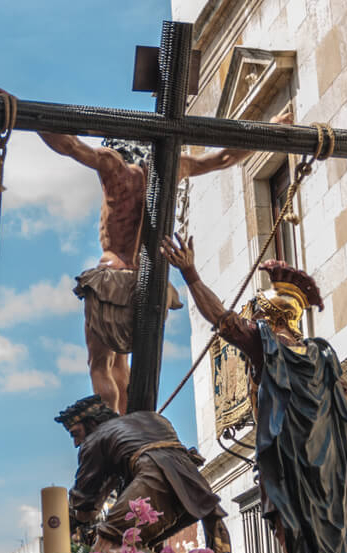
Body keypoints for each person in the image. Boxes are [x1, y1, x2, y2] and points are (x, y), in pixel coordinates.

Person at [160, 234, 347, 553]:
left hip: (293, 474)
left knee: (301, 547)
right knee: (333, 550)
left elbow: (222, 320)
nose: (253, 320)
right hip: (331, 477)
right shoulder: (321, 356)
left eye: (257, 315)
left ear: (268, 318)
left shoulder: (267, 347)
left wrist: (191, 274)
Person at [39, 111, 292, 414]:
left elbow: (70, 146)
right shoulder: (175, 166)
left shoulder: (112, 165)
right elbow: (224, 158)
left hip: (112, 274)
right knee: (123, 363)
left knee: (100, 362)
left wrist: (29, 118)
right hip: (149, 281)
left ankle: (110, 424)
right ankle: (128, 418)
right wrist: (271, 129)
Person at [57, 394, 231, 553]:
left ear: (91, 423)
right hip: (192, 487)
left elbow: (85, 501)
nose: (76, 443)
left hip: (154, 478)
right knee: (140, 547)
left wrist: (66, 522)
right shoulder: (153, 419)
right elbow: (111, 481)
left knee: (109, 548)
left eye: (75, 434)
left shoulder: (95, 438)